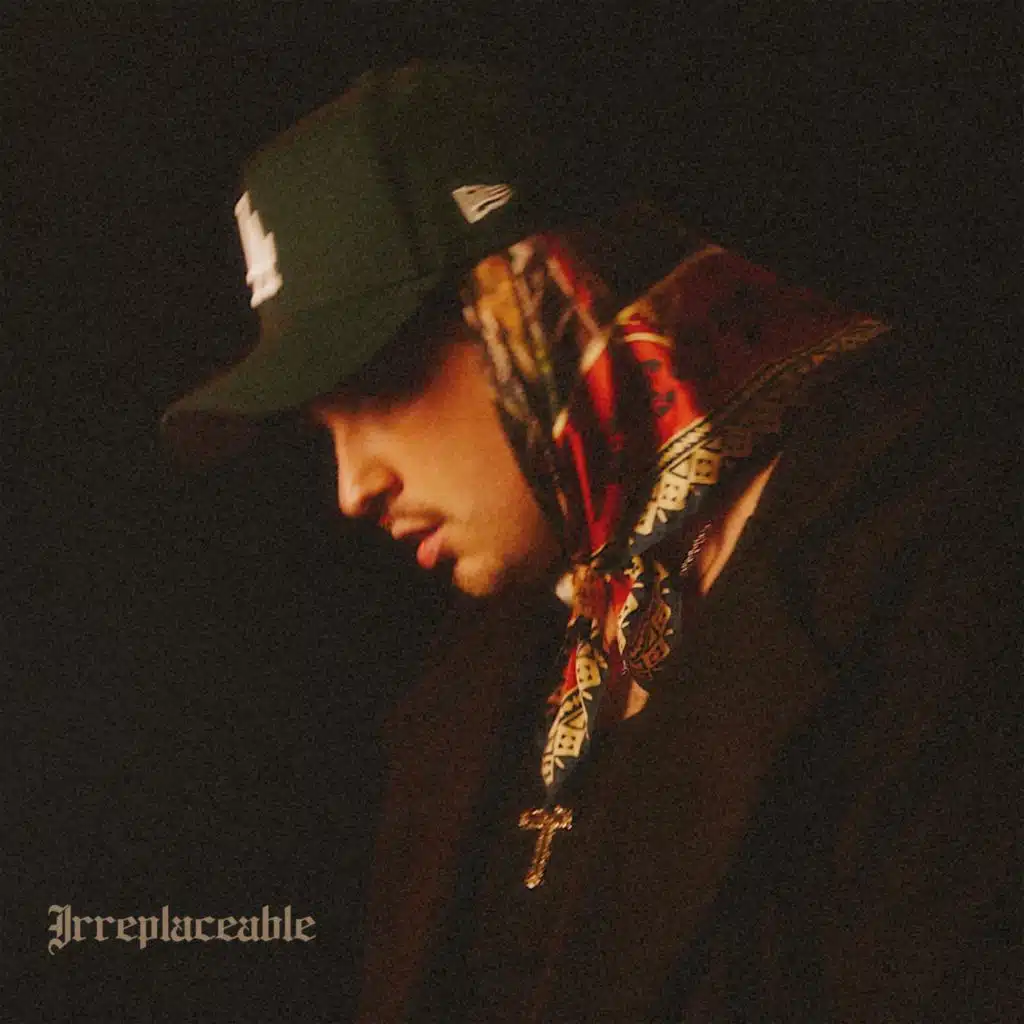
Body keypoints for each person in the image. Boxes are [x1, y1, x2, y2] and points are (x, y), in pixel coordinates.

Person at [163, 62, 1018, 1022]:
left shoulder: (947, 567)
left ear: (540, 298)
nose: (353, 487)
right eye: (323, 429)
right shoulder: (478, 676)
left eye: (376, 390)